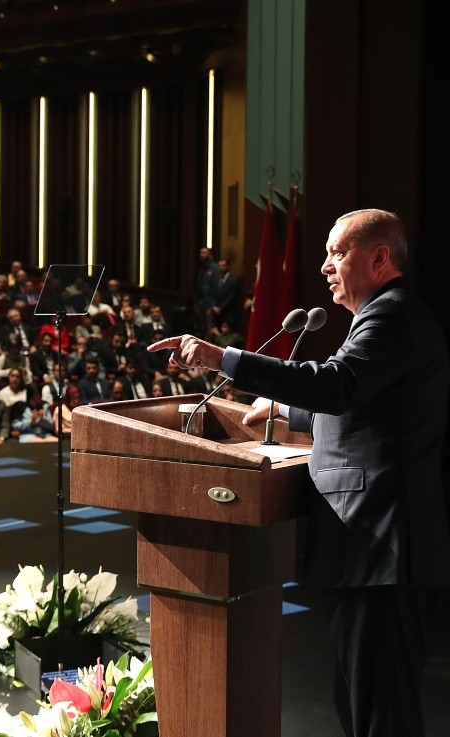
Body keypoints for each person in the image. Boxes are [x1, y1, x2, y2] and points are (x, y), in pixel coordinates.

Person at [148, 208, 450, 737]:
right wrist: (285, 409)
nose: (325, 266)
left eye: (338, 252)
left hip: (384, 546)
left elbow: (336, 385)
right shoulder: (385, 315)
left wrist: (226, 358)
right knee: (361, 703)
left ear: (379, 258)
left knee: (382, 713)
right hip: (374, 548)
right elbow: (361, 405)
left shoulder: (391, 316)